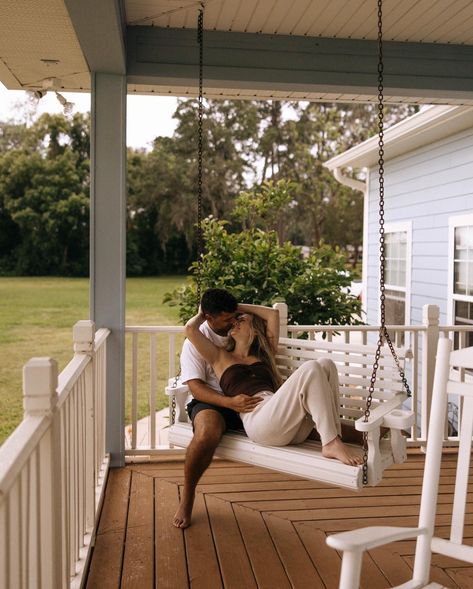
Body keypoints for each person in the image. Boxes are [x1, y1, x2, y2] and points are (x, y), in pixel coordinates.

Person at [183, 303, 363, 481]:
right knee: (312, 368)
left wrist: (236, 307)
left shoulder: (264, 355)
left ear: (253, 331)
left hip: (285, 422)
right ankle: (331, 443)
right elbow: (191, 330)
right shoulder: (220, 356)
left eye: (241, 320)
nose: (235, 323)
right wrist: (205, 311)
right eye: (234, 320)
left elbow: (273, 315)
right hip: (259, 420)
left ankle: (333, 438)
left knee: (326, 364)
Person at [173, 288, 262, 529]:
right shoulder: (195, 343)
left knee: (307, 426)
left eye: (235, 315)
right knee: (206, 434)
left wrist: (240, 311)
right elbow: (196, 388)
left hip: (250, 400)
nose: (233, 321)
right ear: (208, 317)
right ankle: (188, 495)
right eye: (226, 318)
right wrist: (229, 403)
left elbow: (271, 317)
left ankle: (364, 435)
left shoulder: (239, 329)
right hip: (214, 401)